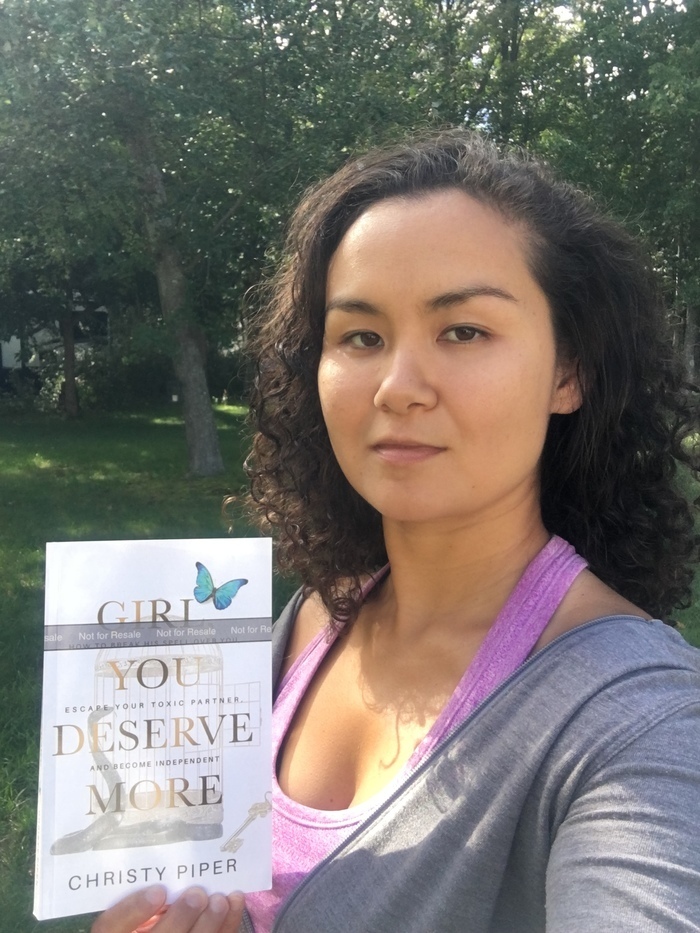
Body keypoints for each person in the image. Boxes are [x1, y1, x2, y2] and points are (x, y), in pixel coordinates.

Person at [93, 131, 700, 933]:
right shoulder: (315, 617)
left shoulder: (640, 717)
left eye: (463, 331)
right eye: (362, 337)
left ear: (568, 370)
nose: (397, 386)